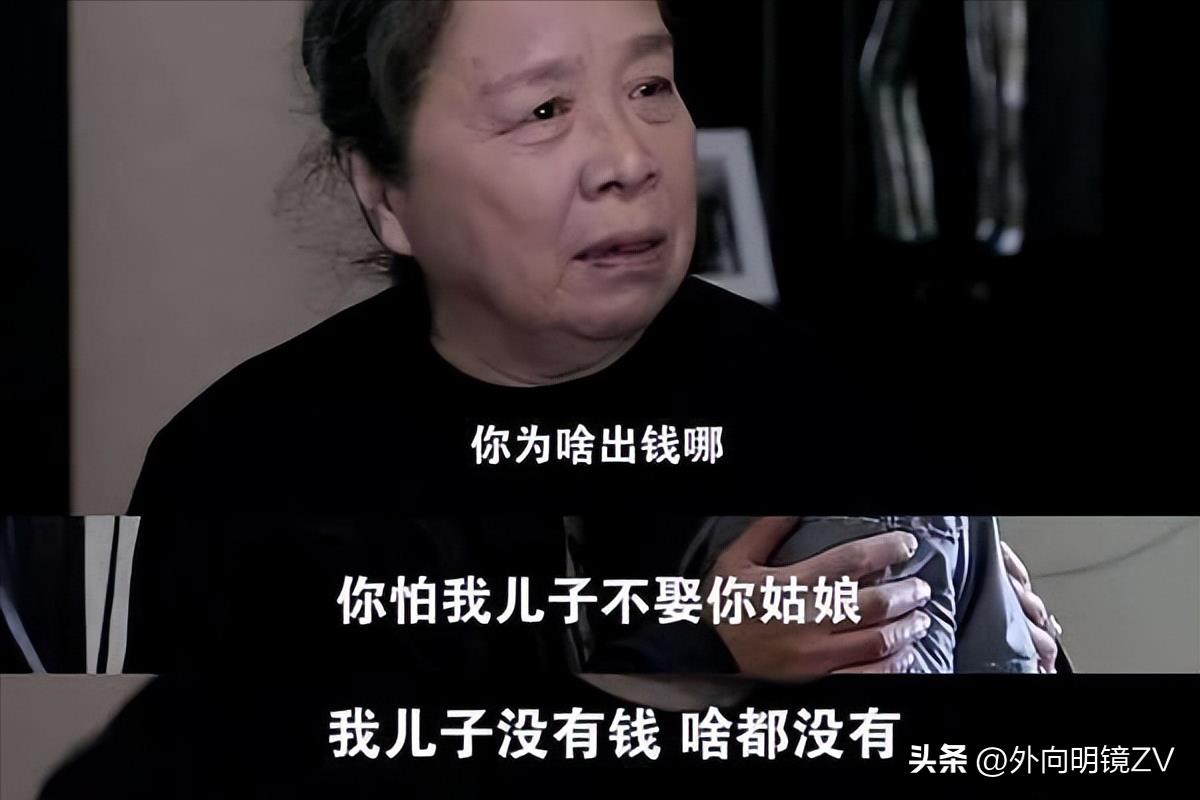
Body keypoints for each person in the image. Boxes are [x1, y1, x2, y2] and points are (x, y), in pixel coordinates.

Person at [124, 0, 1061, 682]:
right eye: (544, 110)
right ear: (386, 193)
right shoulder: (236, 468)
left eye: (650, 86)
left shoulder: (834, 407)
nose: (628, 159)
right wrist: (697, 658)